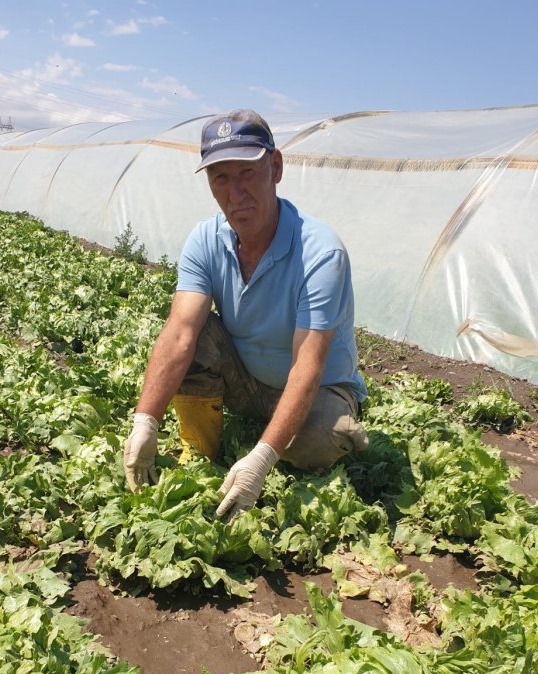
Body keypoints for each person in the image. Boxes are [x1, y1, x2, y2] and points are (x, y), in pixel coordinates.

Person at [123, 108, 368, 521]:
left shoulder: (320, 252)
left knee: (320, 440)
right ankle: (200, 449)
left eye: (247, 173)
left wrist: (261, 462)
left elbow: (308, 366)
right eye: (221, 177)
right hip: (247, 380)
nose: (235, 194)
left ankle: (273, 445)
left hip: (319, 388)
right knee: (193, 335)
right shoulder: (205, 239)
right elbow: (180, 333)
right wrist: (145, 420)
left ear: (275, 167)